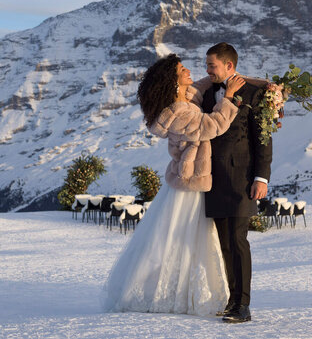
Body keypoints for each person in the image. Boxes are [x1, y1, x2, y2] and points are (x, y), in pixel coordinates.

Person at [103, 53, 246, 316]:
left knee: (178, 239)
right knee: (186, 240)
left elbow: (200, 86)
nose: (189, 70)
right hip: (190, 182)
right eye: (182, 70)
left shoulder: (182, 100)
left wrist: (236, 81)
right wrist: (228, 98)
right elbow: (213, 126)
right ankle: (178, 295)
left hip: (187, 178)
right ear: (173, 81)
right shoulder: (179, 112)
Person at [200, 42, 272, 323]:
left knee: (238, 240)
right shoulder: (207, 94)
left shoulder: (255, 94)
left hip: (242, 180)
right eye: (206, 65)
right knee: (223, 244)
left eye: (212, 66)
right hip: (213, 181)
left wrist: (261, 177)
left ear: (229, 66)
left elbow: (263, 139)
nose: (207, 71)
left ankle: (243, 306)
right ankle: (231, 301)